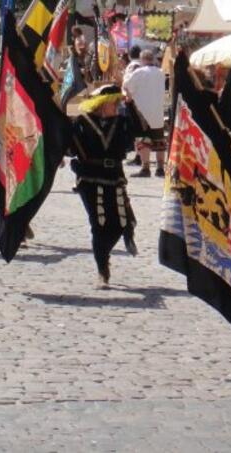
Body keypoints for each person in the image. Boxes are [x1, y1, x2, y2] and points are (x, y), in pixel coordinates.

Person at [68, 84, 140, 288]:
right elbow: (69, 145)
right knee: (99, 225)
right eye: (114, 102)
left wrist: (131, 105)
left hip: (114, 177)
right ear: (103, 103)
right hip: (89, 178)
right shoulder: (81, 123)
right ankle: (102, 270)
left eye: (119, 102)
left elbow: (142, 130)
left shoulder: (122, 122)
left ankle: (104, 253)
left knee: (120, 223)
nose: (117, 105)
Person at [122, 49, 167, 178]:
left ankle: (145, 167)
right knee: (159, 140)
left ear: (142, 60)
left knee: (143, 139)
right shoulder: (160, 73)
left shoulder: (138, 72)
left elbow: (126, 86)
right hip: (158, 111)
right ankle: (160, 168)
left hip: (142, 111)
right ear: (152, 59)